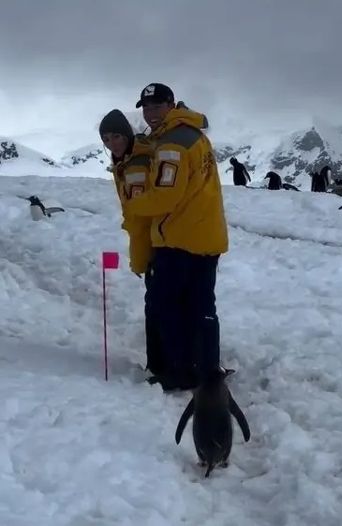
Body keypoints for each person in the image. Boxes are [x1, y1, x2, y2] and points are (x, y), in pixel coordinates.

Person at [123, 82, 229, 390]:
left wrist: (133, 204)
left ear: (171, 105)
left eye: (156, 106)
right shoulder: (193, 134)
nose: (150, 113)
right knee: (201, 306)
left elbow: (165, 196)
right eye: (146, 107)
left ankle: (178, 371)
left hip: (180, 238)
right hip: (207, 235)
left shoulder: (172, 145)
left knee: (165, 305)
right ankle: (207, 367)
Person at [99, 109, 166, 382]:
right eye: (106, 139)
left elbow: (141, 218)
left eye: (116, 136)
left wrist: (141, 257)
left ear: (126, 134)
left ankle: (162, 367)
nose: (112, 143)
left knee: (158, 306)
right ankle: (167, 364)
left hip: (157, 243)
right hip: (159, 240)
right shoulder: (125, 161)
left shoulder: (136, 165)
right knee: (162, 304)